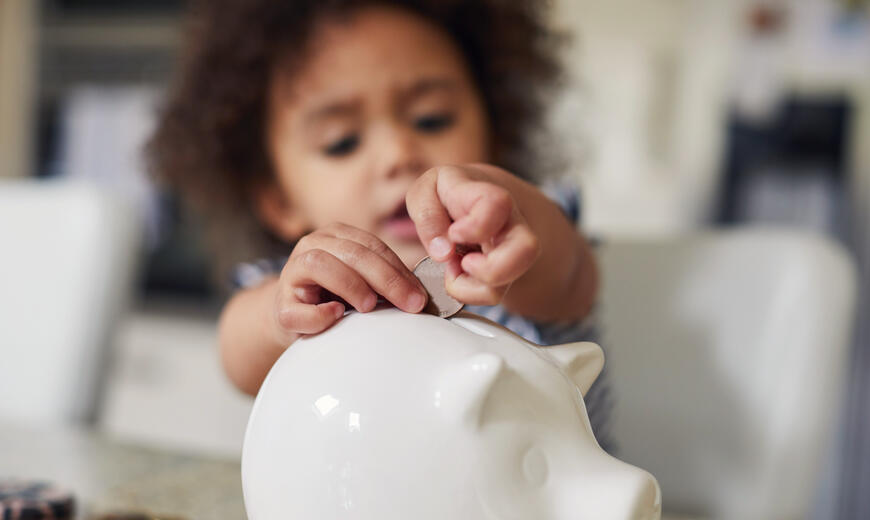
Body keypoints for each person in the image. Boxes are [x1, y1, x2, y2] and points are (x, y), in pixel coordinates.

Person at [148, 0, 611, 447]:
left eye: (432, 120)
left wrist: (503, 209)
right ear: (280, 201)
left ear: (494, 129)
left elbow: (570, 275)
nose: (398, 154)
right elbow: (238, 353)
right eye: (342, 142)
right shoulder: (301, 285)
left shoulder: (525, 243)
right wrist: (279, 317)